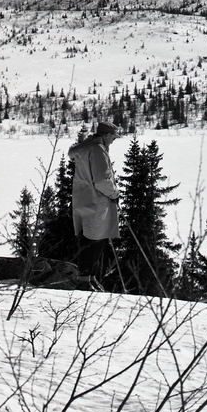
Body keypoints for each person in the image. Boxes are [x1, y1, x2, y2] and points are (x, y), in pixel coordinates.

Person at [69, 121, 121, 288]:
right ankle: (86, 280)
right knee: (96, 241)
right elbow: (101, 180)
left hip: (83, 199)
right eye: (113, 136)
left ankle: (89, 278)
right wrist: (114, 193)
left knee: (88, 239)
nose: (114, 140)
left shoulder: (84, 149)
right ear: (106, 135)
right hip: (97, 201)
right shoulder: (98, 150)